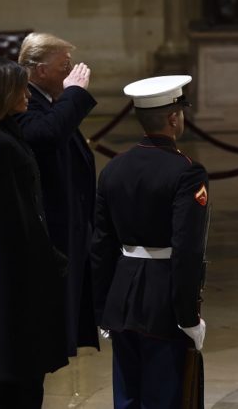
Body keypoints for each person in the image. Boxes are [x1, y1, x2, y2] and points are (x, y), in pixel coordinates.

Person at [90, 75, 209, 408]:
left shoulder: (113, 169)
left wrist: (103, 309)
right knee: (163, 398)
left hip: (121, 298)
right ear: (173, 118)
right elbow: (187, 249)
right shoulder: (187, 172)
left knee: (127, 397)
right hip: (163, 304)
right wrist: (188, 317)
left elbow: (101, 245)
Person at [0, 57, 68, 408]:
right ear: (3, 93)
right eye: (20, 89)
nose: (26, 95)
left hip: (19, 276)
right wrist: (42, 266)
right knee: (13, 378)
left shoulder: (4, 135)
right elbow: (8, 222)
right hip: (12, 283)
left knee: (23, 376)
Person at [16, 32, 99, 356]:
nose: (72, 72)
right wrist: (74, 94)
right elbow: (46, 134)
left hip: (69, 221)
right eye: (64, 66)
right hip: (50, 226)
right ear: (40, 71)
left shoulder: (47, 100)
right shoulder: (24, 101)